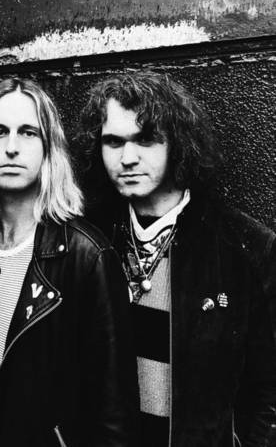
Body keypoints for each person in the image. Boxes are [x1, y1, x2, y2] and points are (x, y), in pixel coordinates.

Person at [0, 77, 138, 447]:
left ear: (49, 148)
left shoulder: (86, 255)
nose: (12, 147)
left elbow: (114, 414)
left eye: (28, 132)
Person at [74, 70, 276, 447]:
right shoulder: (85, 240)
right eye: (113, 141)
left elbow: (268, 393)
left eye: (146, 139)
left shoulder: (247, 247)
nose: (128, 158)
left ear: (178, 144)